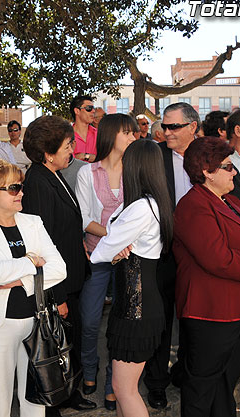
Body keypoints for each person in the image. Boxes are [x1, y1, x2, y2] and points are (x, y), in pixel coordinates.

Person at [174, 136, 240, 417]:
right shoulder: (193, 205)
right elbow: (217, 259)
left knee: (223, 382)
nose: (235, 172)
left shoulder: (230, 200)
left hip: (239, 307)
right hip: (211, 313)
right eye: (228, 166)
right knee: (201, 388)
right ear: (207, 171)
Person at [0, 159, 67, 417]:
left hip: (36, 321)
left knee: (35, 399)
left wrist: (21, 278)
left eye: (20, 186)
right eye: (13, 188)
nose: (21, 192)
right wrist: (32, 262)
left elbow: (60, 269)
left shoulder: (33, 222)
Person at [90, 139, 173, 417]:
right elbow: (111, 247)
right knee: (123, 387)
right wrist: (114, 250)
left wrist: (113, 251)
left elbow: (100, 252)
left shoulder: (141, 208)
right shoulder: (149, 203)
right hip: (136, 305)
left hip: (136, 310)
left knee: (125, 390)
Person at [21, 115, 96, 412]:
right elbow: (43, 242)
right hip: (58, 286)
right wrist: (59, 295)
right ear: (48, 153)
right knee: (57, 347)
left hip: (72, 277)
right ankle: (54, 403)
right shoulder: (38, 181)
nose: (73, 150)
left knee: (71, 341)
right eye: (68, 145)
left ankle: (70, 394)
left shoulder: (54, 174)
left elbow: (66, 225)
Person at [75, 113, 137, 410]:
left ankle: (115, 381)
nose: (133, 138)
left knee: (122, 323)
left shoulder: (136, 169)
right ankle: (89, 370)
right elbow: (85, 219)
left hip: (128, 258)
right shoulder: (88, 173)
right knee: (88, 320)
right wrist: (116, 235)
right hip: (96, 256)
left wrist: (123, 240)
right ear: (111, 135)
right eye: (128, 133)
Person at [145, 102, 199, 409]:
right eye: (164, 126)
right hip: (162, 250)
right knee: (161, 320)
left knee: (194, 318)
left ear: (192, 127)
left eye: (173, 126)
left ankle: (186, 373)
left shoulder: (209, 155)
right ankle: (156, 383)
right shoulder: (155, 155)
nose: (166, 132)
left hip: (198, 252)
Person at [70, 95, 97, 163]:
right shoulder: (66, 136)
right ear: (77, 111)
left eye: (93, 108)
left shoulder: (99, 134)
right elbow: (65, 160)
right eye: (89, 108)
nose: (93, 111)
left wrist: (85, 156)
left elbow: (104, 159)